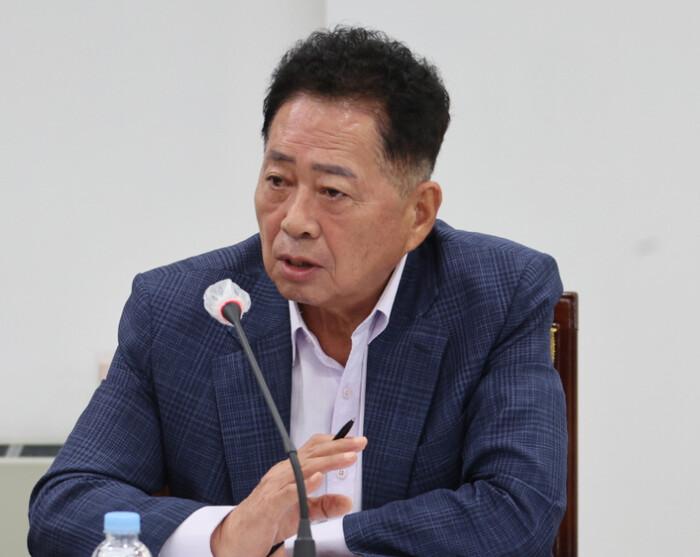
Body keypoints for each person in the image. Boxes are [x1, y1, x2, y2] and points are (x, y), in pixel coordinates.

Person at [28, 27, 566, 557]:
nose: (294, 221)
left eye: (332, 191)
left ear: (417, 213)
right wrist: (227, 535)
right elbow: (65, 508)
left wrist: (307, 545)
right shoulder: (178, 309)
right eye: (278, 181)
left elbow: (518, 512)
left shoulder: (498, 296)